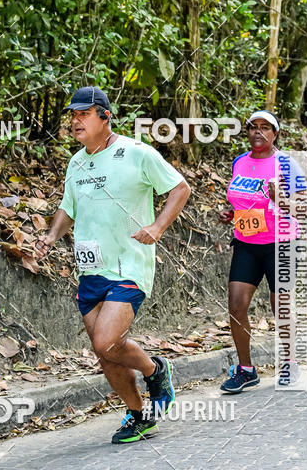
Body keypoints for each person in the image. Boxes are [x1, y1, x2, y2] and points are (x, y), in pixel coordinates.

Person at [35, 86, 191, 444]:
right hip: (91, 268)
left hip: (128, 266)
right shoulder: (77, 162)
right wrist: (51, 236)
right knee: (106, 356)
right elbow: (68, 208)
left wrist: (157, 226)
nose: (75, 121)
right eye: (72, 115)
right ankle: (139, 416)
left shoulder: (135, 153)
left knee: (107, 342)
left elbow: (179, 188)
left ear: (105, 117)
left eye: (83, 114)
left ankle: (156, 370)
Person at [219, 110, 306, 391]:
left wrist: (279, 198)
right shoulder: (240, 162)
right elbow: (242, 201)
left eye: (265, 128)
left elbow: (303, 209)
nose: (258, 132)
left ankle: (290, 363)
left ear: (275, 133)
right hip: (246, 242)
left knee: (280, 306)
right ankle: (246, 369)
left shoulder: (287, 165)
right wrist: (230, 213)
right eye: (253, 127)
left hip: (280, 243)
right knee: (236, 307)